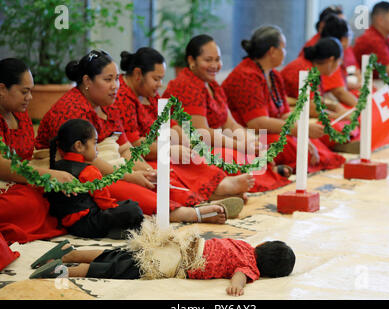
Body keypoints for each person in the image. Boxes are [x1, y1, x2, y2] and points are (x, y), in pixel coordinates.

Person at [35, 50, 241, 224]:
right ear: (87, 81)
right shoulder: (72, 109)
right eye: (108, 80)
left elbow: (126, 148)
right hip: (82, 171)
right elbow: (88, 160)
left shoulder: (109, 104)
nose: (115, 85)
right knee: (136, 186)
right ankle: (190, 212)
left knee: (156, 175)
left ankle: (208, 194)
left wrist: (144, 169)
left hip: (113, 163)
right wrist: (132, 174)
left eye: (116, 79)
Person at [110, 47, 255, 203]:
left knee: (198, 155)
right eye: (156, 79)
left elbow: (172, 124)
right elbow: (133, 145)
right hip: (141, 156)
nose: (160, 84)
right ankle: (216, 192)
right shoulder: (122, 97)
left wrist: (188, 142)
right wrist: (169, 149)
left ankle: (218, 190)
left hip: (164, 147)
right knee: (176, 165)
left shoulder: (149, 93)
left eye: (217, 59)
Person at [29, 217, 296, 297]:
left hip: (177, 244)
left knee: (118, 252)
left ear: (263, 244)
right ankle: (62, 271)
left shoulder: (243, 245)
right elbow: (240, 274)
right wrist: (237, 286)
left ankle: (69, 253)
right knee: (116, 267)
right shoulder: (250, 266)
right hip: (175, 262)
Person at [162, 35, 292, 191]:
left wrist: (251, 143)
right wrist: (241, 146)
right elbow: (201, 134)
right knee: (230, 155)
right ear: (191, 61)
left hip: (217, 141)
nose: (215, 65)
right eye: (208, 60)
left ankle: (268, 172)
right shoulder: (186, 85)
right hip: (191, 146)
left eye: (217, 60)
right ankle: (254, 178)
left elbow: (230, 123)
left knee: (264, 146)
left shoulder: (213, 85)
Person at [222, 26, 345, 173]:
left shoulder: (274, 76)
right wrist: (299, 130)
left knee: (311, 143)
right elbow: (257, 122)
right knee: (287, 143)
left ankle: (286, 166)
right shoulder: (246, 76)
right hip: (248, 134)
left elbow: (285, 113)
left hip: (271, 130)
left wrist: (303, 133)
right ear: (272, 51)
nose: (285, 53)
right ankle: (281, 168)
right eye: (283, 48)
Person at [0, 58, 76, 244]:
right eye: (24, 92)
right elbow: (2, 166)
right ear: (2, 89)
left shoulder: (21, 114)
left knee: (57, 193)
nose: (30, 97)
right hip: (6, 185)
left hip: (21, 182)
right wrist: (46, 175)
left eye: (31, 91)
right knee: (29, 203)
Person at [46, 119, 143, 239]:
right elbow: (105, 203)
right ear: (79, 146)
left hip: (69, 225)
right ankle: (117, 231)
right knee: (132, 208)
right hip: (88, 225)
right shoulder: (89, 171)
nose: (97, 149)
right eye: (95, 143)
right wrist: (120, 210)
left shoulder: (54, 169)